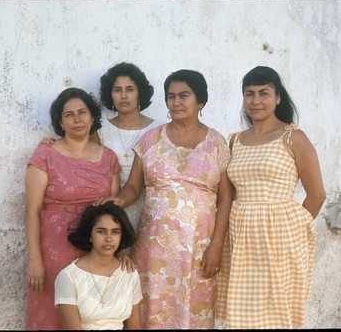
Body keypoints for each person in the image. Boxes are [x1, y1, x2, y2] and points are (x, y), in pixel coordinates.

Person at [95, 69, 234, 329]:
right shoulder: (151, 139)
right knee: (153, 311)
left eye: (184, 96)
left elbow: (225, 198)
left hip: (198, 248)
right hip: (155, 248)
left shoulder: (216, 142)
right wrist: (116, 201)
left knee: (195, 311)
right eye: (171, 97)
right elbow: (133, 187)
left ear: (200, 101)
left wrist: (216, 246)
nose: (176, 102)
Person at [216, 66, 326, 329]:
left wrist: (293, 226)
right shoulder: (235, 141)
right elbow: (228, 194)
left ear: (278, 97)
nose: (256, 101)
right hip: (241, 234)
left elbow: (317, 194)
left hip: (280, 237)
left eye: (264, 93)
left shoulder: (293, 137)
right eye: (249, 94)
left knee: (276, 313)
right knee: (244, 312)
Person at [24, 87, 121, 330]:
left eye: (82, 112)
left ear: (92, 117)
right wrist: (35, 259)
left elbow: (113, 213)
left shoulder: (109, 159)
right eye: (69, 115)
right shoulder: (45, 154)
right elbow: (32, 211)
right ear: (60, 121)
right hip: (54, 250)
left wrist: (120, 254)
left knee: (91, 314)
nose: (77, 119)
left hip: (95, 249)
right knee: (51, 312)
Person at [40, 62, 164, 234]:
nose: (123, 95)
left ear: (139, 92)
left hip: (149, 207)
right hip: (107, 207)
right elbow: (79, 153)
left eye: (129, 89)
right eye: (117, 90)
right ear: (110, 95)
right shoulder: (101, 129)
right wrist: (54, 144)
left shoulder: (159, 130)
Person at [54, 202, 143, 330]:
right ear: (90, 235)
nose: (108, 238)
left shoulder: (129, 274)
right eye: (101, 231)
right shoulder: (68, 277)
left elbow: (135, 327)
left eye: (115, 232)